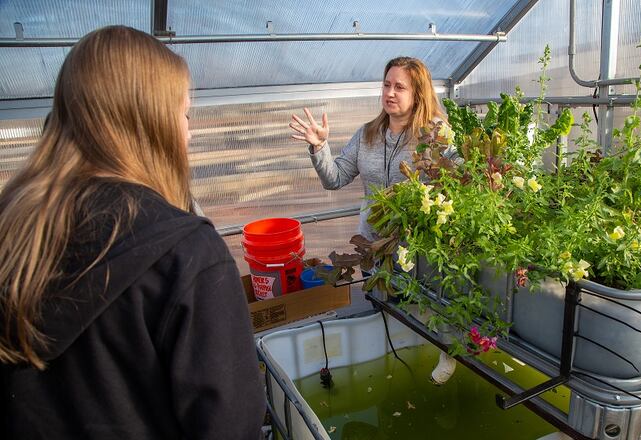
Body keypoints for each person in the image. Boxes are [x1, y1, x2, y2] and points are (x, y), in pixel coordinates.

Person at [0, 26, 265, 439]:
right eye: (186, 114)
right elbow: (232, 425)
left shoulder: (13, 233)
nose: (189, 132)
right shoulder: (186, 253)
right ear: (151, 120)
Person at [290, 56, 453, 241]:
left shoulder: (435, 134)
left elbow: (453, 185)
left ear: (417, 95)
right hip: (372, 247)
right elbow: (334, 179)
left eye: (399, 87)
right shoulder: (367, 133)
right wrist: (319, 146)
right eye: (386, 85)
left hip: (416, 249)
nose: (389, 93)